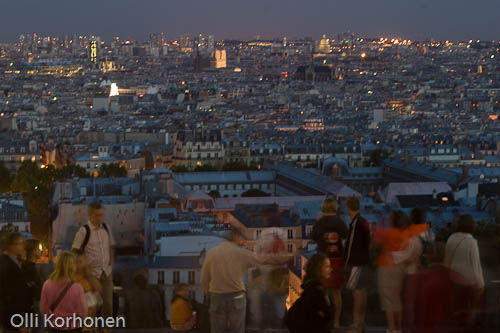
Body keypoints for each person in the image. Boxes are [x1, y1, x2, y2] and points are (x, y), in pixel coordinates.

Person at [200, 229, 289, 333]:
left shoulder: (212, 253)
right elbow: (260, 261)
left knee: (217, 329)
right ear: (235, 238)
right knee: (237, 328)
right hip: (237, 295)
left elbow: (204, 278)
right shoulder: (240, 252)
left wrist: (208, 293)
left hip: (217, 295)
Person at [374, 210, 428, 333]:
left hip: (387, 266)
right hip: (400, 270)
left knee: (388, 300)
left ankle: (392, 328)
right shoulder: (408, 234)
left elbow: (374, 244)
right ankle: (399, 328)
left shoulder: (386, 232)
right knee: (398, 300)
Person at [390, 207, 434, 332]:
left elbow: (407, 254)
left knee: (409, 302)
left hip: (411, 271)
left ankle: (410, 328)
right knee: (422, 301)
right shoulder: (428, 232)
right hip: (425, 271)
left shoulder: (411, 233)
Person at [72, 201, 114, 321]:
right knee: (92, 306)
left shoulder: (106, 228)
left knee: (108, 305)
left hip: (106, 272)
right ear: (90, 215)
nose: (99, 218)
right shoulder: (84, 231)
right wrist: (83, 268)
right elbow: (74, 251)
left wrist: (111, 261)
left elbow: (111, 246)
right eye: (97, 215)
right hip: (90, 274)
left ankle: (106, 329)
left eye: (101, 215)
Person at [311, 195, 348, 330]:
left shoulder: (320, 222)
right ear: (335, 208)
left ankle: (323, 320)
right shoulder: (340, 222)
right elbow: (345, 235)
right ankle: (337, 322)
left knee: (322, 292)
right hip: (337, 259)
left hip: (322, 259)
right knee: (336, 293)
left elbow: (313, 237)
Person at [443, 214, 484, 329]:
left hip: (453, 284)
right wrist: (481, 285)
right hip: (467, 285)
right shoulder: (472, 242)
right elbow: (476, 265)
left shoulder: (451, 238)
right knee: (467, 319)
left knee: (455, 317)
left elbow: (446, 262)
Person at [40, 251, 88, 332]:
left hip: (54, 327)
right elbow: (83, 313)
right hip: (73, 328)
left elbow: (43, 310)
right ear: (73, 267)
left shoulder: (47, 284)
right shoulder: (77, 287)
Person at [344, 196, 371, 333]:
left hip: (356, 263)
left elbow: (350, 247)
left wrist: (346, 263)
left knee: (357, 293)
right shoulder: (364, 221)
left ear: (348, 207)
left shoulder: (355, 224)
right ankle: (361, 323)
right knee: (362, 292)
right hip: (364, 262)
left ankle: (355, 325)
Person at [288, 252, 333, 333]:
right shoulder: (316, 291)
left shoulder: (310, 288)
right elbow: (325, 316)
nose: (330, 269)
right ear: (318, 269)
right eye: (327, 267)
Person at [0, 232, 31, 333]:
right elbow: (12, 297)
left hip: (9, 319)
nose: (23, 247)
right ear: (12, 246)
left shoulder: (8, 262)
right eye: (21, 243)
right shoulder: (9, 266)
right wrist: (19, 323)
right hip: (14, 322)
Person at [71, 249, 102, 331]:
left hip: (90, 317)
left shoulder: (88, 276)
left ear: (85, 261)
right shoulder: (69, 278)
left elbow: (99, 289)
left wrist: (89, 275)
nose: (78, 265)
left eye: (80, 261)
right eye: (75, 262)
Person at [22, 239, 43, 333]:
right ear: (34, 251)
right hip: (33, 308)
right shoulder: (30, 269)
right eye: (39, 249)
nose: (40, 251)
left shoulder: (26, 266)